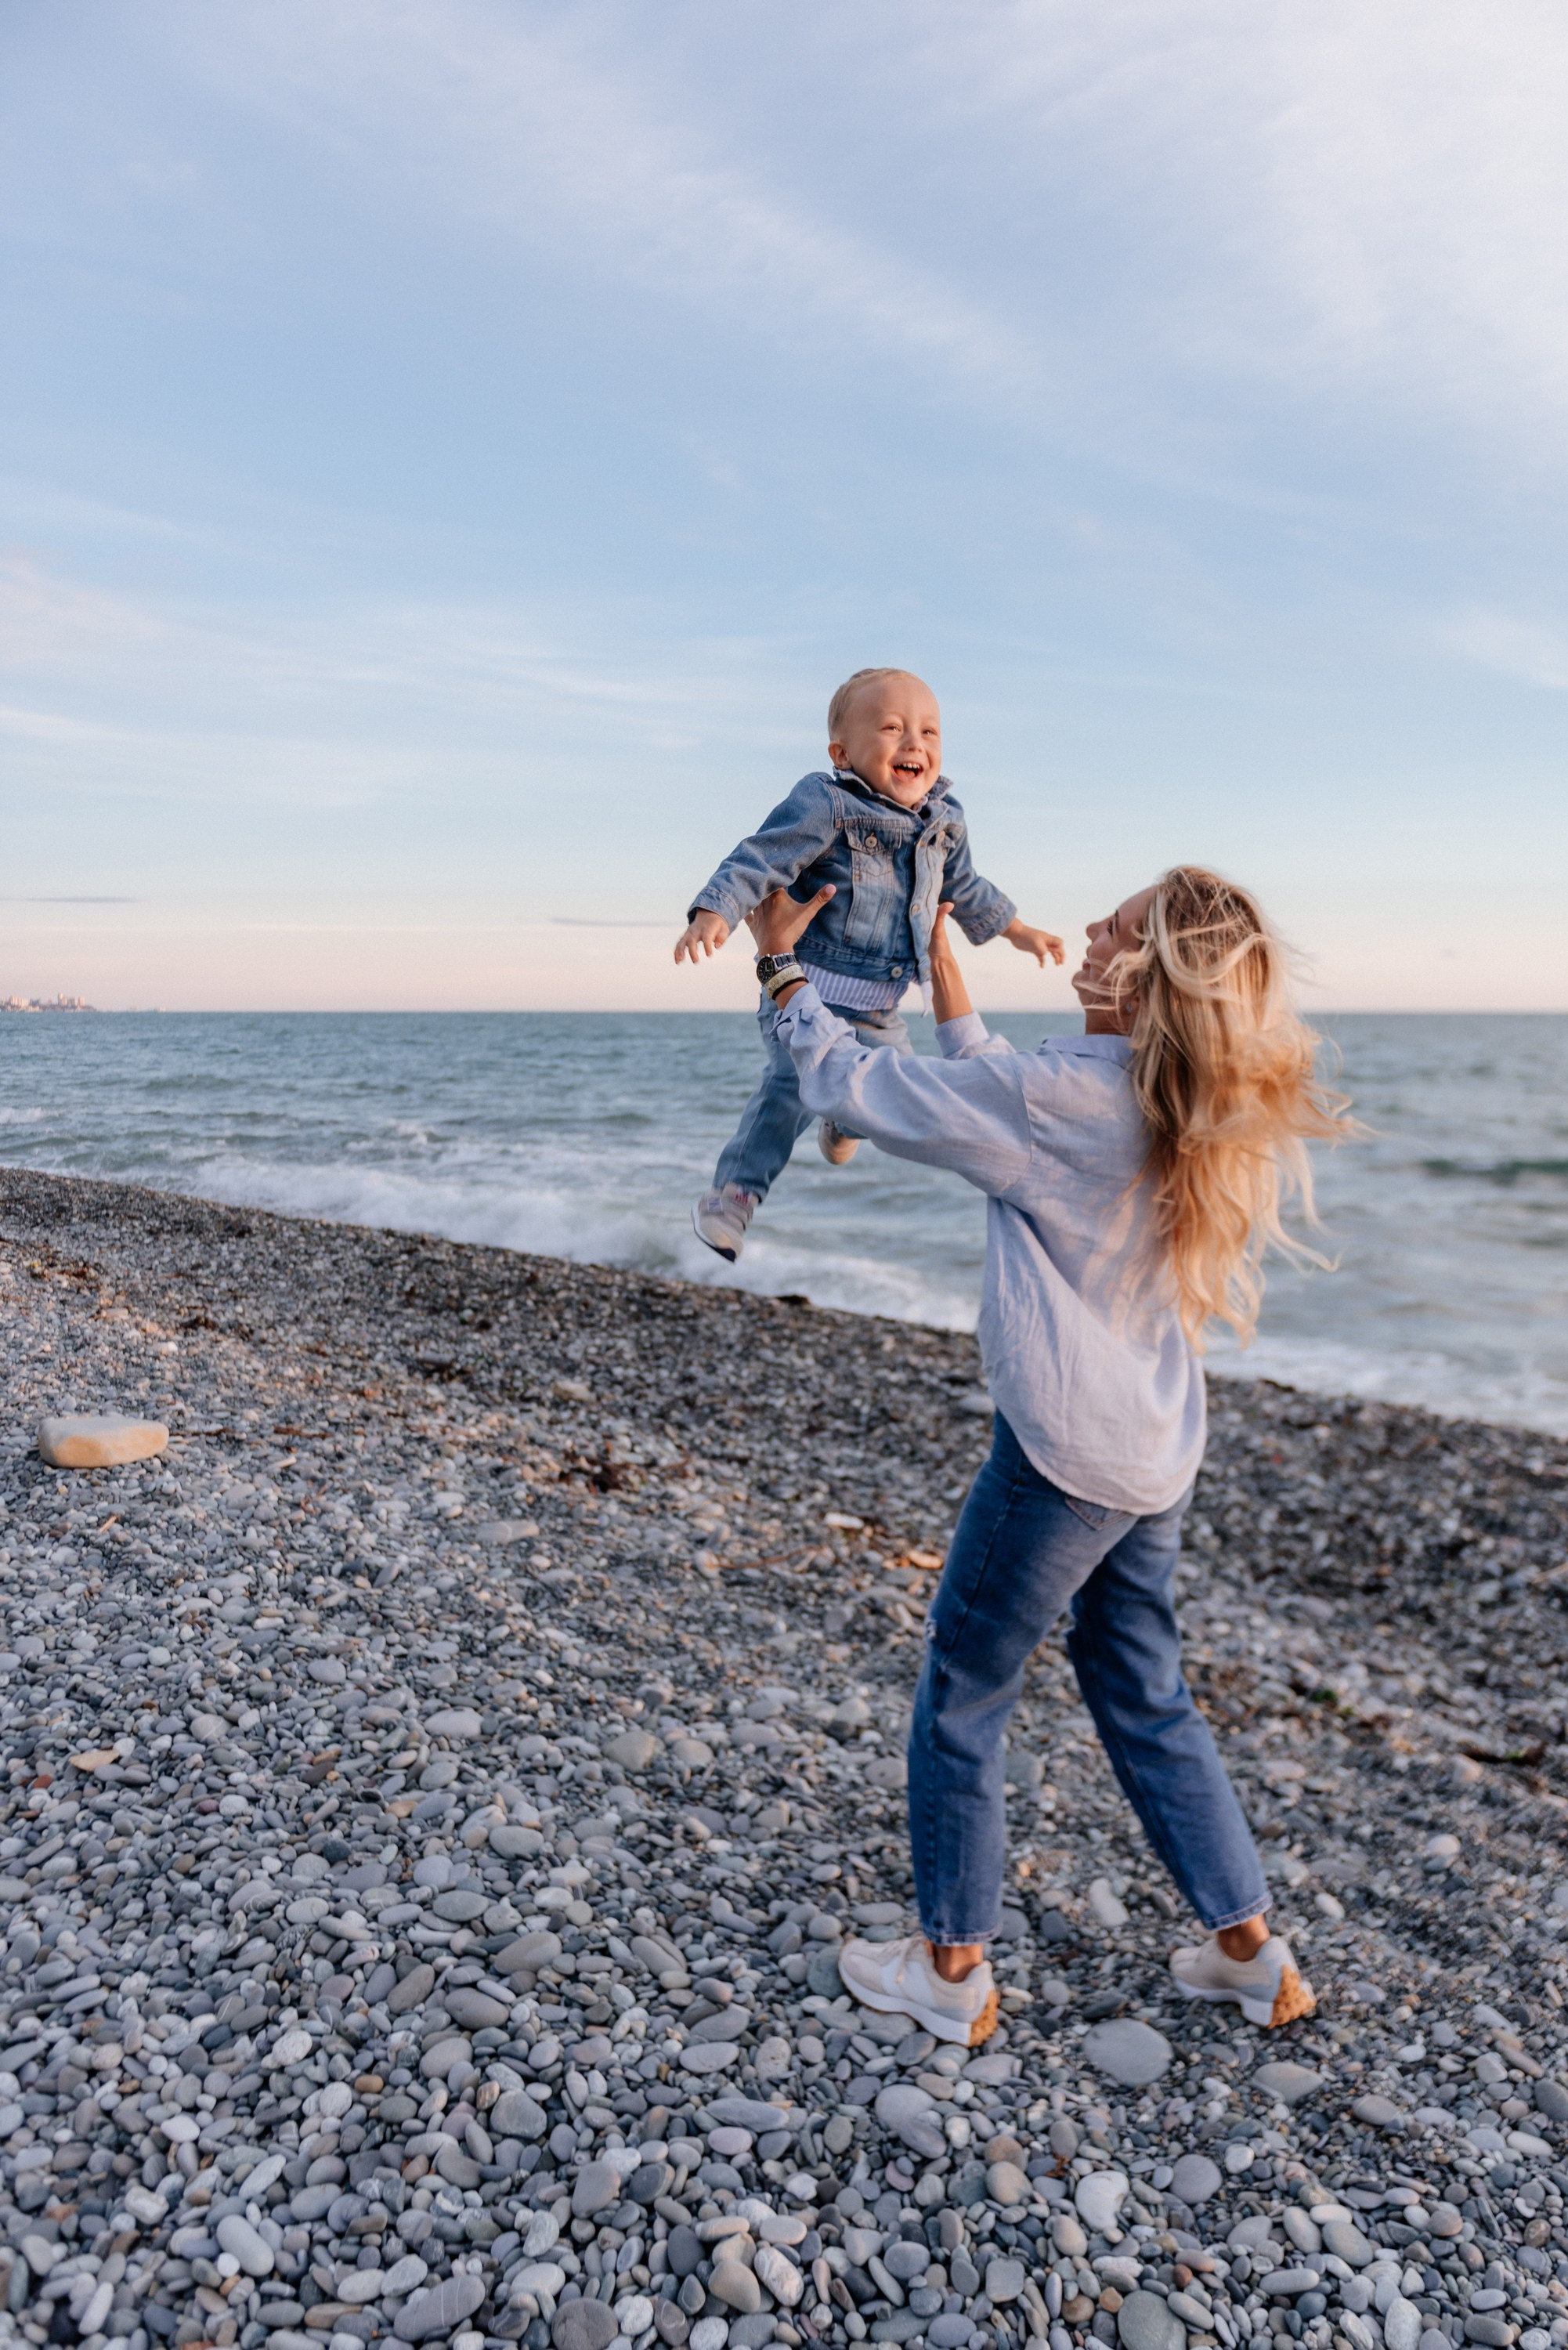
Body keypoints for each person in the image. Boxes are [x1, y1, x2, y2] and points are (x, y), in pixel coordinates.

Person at [742, 865, 1349, 2044]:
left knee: (965, 1684)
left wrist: (781, 970)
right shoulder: (1176, 1095)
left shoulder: (1064, 1097)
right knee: (1144, 1691)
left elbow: (859, 1087)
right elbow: (1001, 1096)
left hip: (1062, 1460)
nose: (1085, 931)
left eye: (1114, 928)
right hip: (1153, 1453)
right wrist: (946, 967)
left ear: (1146, 976)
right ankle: (1248, 1952)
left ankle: (950, 1967)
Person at [674, 667, 1062, 1262]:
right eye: (892, 728)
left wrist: (1019, 931)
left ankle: (844, 1123)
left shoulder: (946, 821)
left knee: (900, 1099)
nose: (915, 743)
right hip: (804, 994)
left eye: (930, 731)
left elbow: (967, 888)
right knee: (790, 1087)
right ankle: (732, 1196)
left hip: (881, 1009)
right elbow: (761, 856)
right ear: (843, 752)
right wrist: (716, 911)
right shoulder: (828, 803)